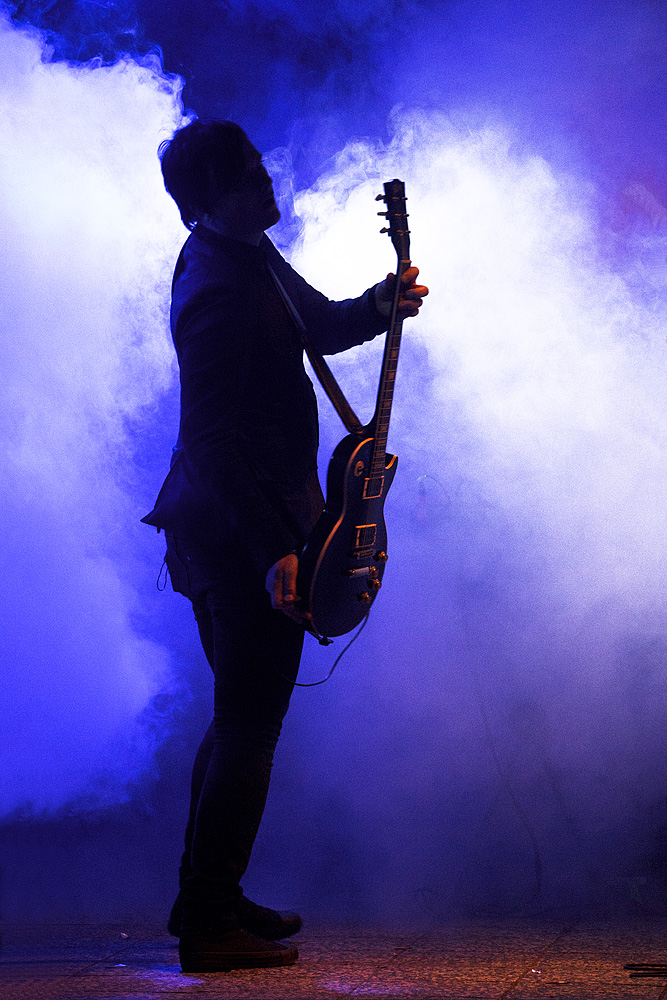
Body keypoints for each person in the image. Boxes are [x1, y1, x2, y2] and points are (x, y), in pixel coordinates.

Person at [141, 118, 428, 973]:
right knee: (247, 728)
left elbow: (318, 327)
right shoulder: (216, 291)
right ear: (213, 195)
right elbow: (213, 442)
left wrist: (378, 306)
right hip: (235, 536)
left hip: (242, 527)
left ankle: (209, 898)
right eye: (250, 175)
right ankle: (207, 923)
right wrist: (276, 549)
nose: (268, 181)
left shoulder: (245, 253)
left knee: (238, 719)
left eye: (261, 167)